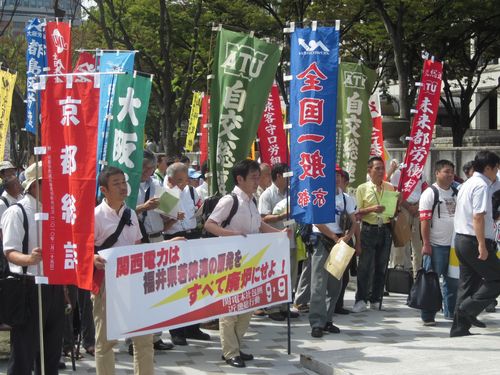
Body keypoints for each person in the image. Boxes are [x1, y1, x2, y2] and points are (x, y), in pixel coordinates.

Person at [204, 159, 286, 368]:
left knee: (247, 305)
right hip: (230, 262)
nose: (257, 181)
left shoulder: (251, 200)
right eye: (253, 178)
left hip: (250, 262)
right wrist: (231, 235)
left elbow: (259, 225)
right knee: (230, 309)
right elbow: (210, 224)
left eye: (258, 177)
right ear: (239, 179)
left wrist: (281, 234)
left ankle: (237, 346)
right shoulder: (229, 201)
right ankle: (230, 352)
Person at [2, 161, 65, 375]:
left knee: (51, 354)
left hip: (54, 287)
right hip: (28, 287)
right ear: (35, 185)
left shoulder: (57, 211)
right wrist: (29, 259)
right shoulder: (17, 212)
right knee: (23, 353)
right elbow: (9, 251)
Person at [93, 166, 154, 374]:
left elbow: (137, 245)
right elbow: (80, 251)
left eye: (123, 182)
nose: (122, 187)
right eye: (116, 183)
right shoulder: (95, 217)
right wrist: (92, 259)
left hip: (134, 282)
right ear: (104, 189)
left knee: (144, 339)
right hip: (106, 284)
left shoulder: (131, 214)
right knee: (106, 341)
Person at [450, 151, 500, 337]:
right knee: (497, 278)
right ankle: (467, 309)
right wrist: (481, 245)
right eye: (496, 168)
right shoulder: (481, 186)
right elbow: (478, 216)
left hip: (462, 239)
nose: (497, 172)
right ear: (488, 168)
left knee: (468, 285)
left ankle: (459, 327)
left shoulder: (467, 183)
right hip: (474, 240)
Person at [132, 150, 174, 353]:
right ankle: (134, 340)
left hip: (157, 237)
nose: (149, 171)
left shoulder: (157, 186)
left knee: (157, 288)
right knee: (138, 290)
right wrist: (143, 207)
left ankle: (155, 336)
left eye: (151, 168)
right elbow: (122, 212)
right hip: (137, 241)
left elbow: (167, 210)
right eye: (146, 168)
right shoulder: (128, 186)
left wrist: (173, 214)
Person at [163, 162, 209, 346]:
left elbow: (198, 210)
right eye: (180, 180)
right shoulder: (165, 194)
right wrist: (173, 218)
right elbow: (162, 226)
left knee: (195, 282)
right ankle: (177, 331)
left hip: (193, 236)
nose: (183, 183)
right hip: (174, 238)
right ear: (171, 179)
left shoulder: (191, 191)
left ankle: (193, 327)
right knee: (177, 285)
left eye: (186, 179)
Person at [309, 165, 358, 338]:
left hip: (340, 242)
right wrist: (334, 238)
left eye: (338, 175)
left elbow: (354, 220)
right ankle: (316, 322)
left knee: (335, 284)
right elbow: (317, 221)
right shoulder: (320, 195)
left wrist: (348, 236)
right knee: (318, 284)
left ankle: (328, 320)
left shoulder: (347, 198)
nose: (336, 178)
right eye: (333, 174)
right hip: (323, 240)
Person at [353, 156, 396, 313]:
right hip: (369, 228)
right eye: (377, 168)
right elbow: (357, 213)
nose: (380, 171)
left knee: (381, 265)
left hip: (385, 229)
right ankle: (361, 299)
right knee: (365, 266)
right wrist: (372, 209)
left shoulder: (390, 187)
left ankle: (376, 299)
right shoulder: (362, 188)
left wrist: (395, 207)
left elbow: (392, 210)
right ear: (369, 170)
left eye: (382, 168)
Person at [419, 160, 458, 326]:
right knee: (432, 281)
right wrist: (426, 243)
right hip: (436, 245)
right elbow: (425, 221)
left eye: (451, 172)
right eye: (446, 171)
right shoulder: (430, 193)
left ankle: (450, 312)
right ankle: (428, 315)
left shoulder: (456, 192)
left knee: (453, 281)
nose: (450, 175)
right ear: (437, 173)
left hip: (454, 246)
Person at [258, 163, 299, 321]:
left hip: (291, 239)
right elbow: (263, 218)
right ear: (278, 176)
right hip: (274, 240)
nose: (290, 179)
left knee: (290, 274)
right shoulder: (267, 195)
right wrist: (281, 216)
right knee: (275, 273)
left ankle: (285, 306)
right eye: (287, 176)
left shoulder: (291, 192)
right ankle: (273, 308)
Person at [390, 162, 426, 277]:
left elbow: (425, 190)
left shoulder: (420, 171)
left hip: (417, 208)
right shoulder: (399, 172)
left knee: (417, 243)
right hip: (403, 208)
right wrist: (408, 206)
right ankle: (399, 271)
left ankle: (418, 273)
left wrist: (418, 206)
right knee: (401, 241)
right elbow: (395, 191)